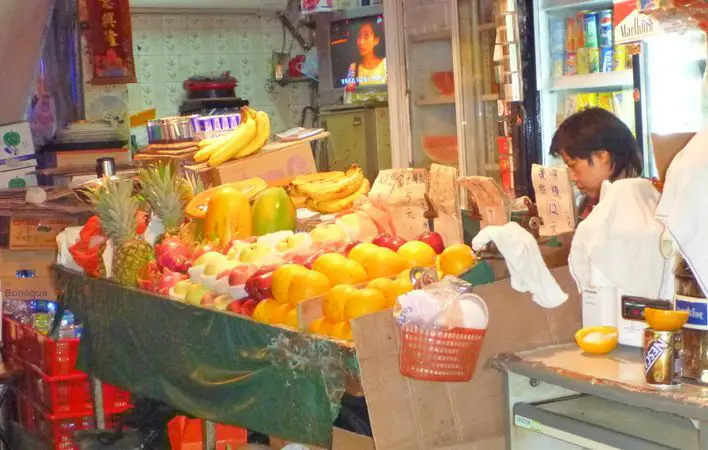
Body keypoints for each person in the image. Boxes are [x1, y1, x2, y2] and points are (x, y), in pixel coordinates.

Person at [550, 107, 643, 220]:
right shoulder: (591, 202)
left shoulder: (635, 210)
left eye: (573, 165)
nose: (572, 177)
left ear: (602, 155)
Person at [346, 20, 386, 87]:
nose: (361, 42)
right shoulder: (353, 68)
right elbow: (350, 95)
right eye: (359, 36)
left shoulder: (385, 65)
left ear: (376, 40)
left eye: (366, 36)